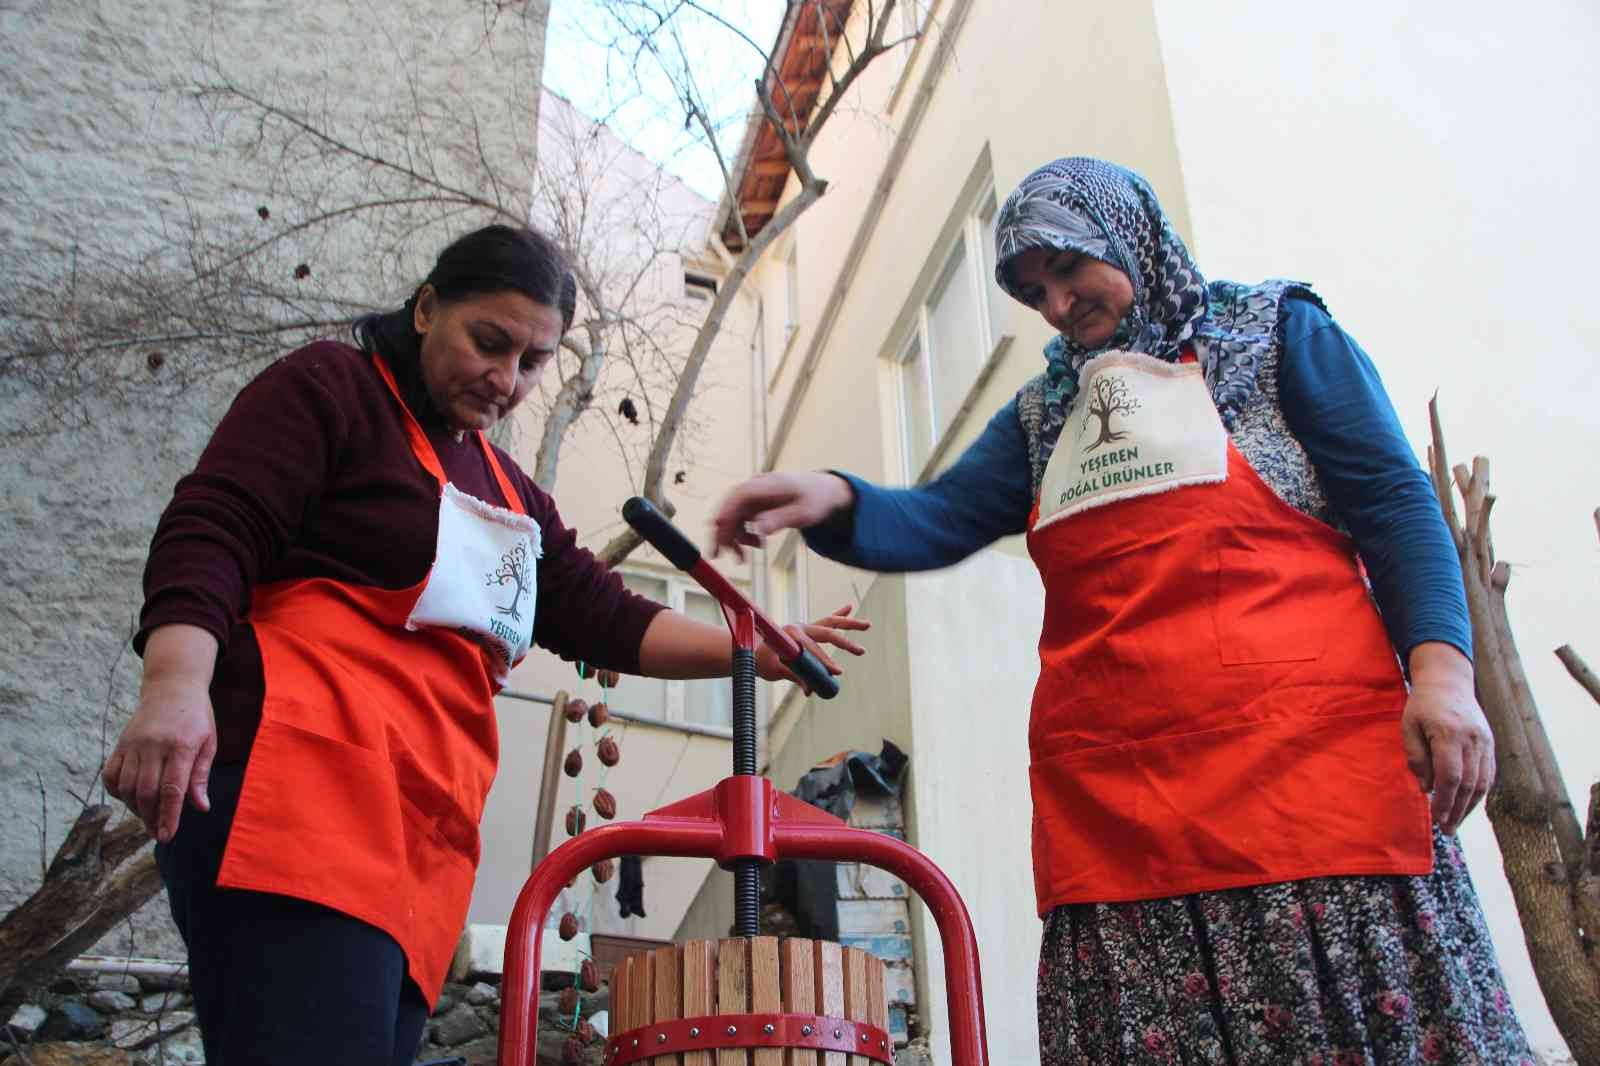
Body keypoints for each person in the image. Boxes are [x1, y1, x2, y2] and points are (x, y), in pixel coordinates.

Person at [712, 159, 1534, 1065]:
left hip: (1318, 803)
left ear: (1127, 235)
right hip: (1124, 826)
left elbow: (1392, 501)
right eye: (1032, 293)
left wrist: (1444, 677)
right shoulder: (1041, 416)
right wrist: (830, 495)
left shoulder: (1270, 337)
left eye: (1070, 271)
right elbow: (936, 520)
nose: (1057, 306)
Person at [101, 224, 868, 1066]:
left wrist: (750, 644)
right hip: (298, 798)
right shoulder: (332, 389)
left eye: (533, 362)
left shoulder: (509, 496)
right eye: (488, 342)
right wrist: (174, 688)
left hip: (415, 843)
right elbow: (215, 524)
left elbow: (598, 612)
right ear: (428, 308)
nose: (506, 380)